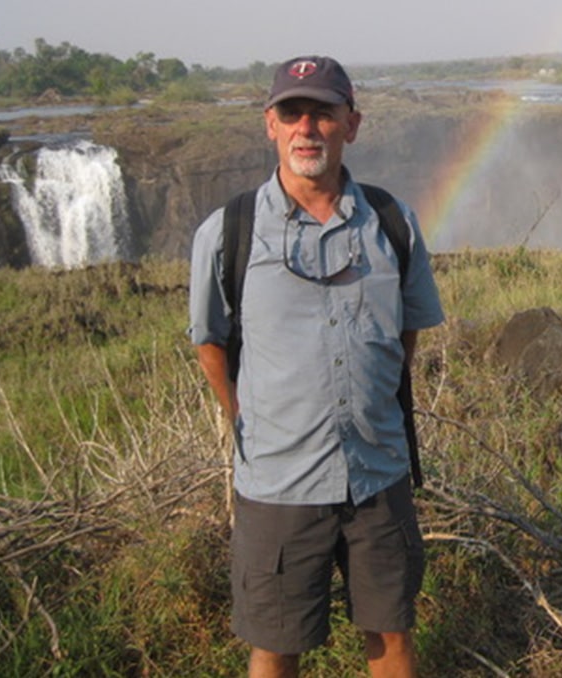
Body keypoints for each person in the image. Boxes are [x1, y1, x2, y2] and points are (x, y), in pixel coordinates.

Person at [188, 55, 445, 678]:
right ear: (270, 125)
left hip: (377, 474)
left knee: (391, 637)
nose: (307, 127)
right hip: (278, 483)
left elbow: (405, 335)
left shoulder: (394, 224)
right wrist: (254, 421)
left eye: (323, 113)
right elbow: (210, 344)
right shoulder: (228, 233)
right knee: (276, 646)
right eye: (291, 112)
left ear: (351, 124)